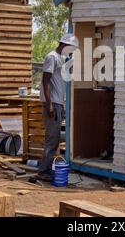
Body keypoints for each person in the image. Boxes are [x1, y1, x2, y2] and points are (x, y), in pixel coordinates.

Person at [31, 33, 79, 183]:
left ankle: (45, 169)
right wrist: (50, 104)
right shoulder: (52, 57)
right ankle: (43, 171)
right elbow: (45, 81)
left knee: (55, 138)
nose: (70, 53)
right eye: (71, 49)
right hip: (53, 103)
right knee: (52, 139)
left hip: (58, 103)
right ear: (65, 45)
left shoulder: (60, 59)